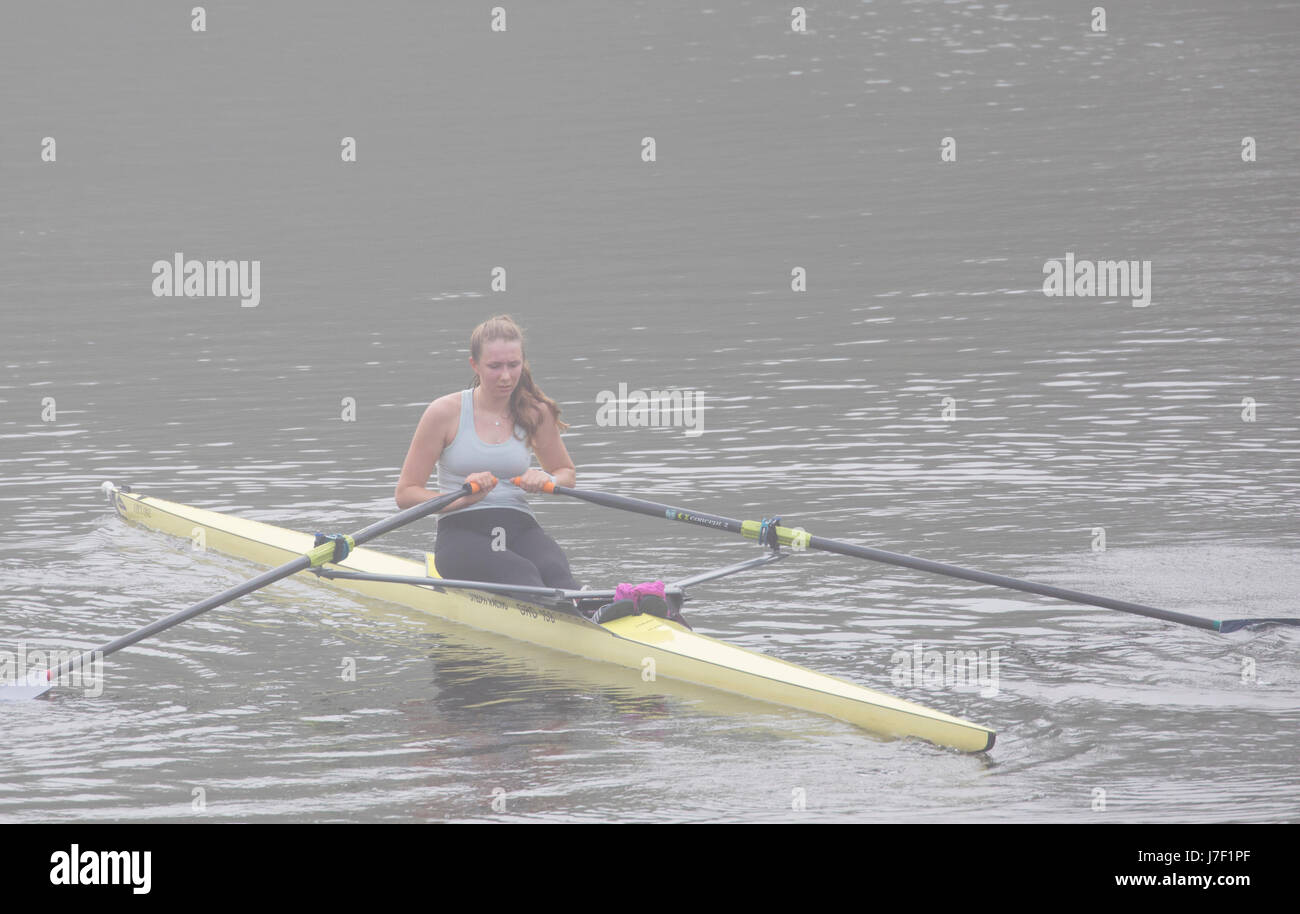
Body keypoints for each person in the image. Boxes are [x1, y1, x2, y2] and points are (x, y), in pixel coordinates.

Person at [394, 315, 578, 590]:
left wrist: (548, 481)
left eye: (513, 365)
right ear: (474, 365)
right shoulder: (444, 412)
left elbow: (567, 474)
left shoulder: (535, 411)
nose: (506, 376)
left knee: (557, 575)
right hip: (461, 533)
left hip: (521, 526)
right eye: (495, 366)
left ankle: (595, 611)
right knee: (523, 576)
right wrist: (462, 499)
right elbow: (406, 493)